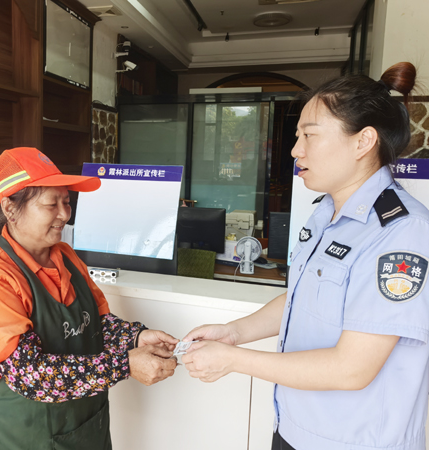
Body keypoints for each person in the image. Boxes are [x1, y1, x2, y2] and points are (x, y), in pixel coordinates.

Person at [182, 62, 429, 450]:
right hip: (295, 427)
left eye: (309, 135)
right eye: (298, 136)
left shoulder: (401, 232)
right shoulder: (325, 212)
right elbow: (302, 297)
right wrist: (233, 334)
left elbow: (352, 368)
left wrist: (233, 360)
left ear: (363, 141)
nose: (296, 150)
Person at [0, 147, 178, 450]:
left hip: (84, 428)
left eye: (67, 202)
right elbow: (31, 375)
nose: (64, 215)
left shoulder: (66, 256)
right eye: (51, 204)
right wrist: (125, 365)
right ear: (10, 208)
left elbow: (96, 324)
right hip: (20, 435)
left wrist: (136, 337)